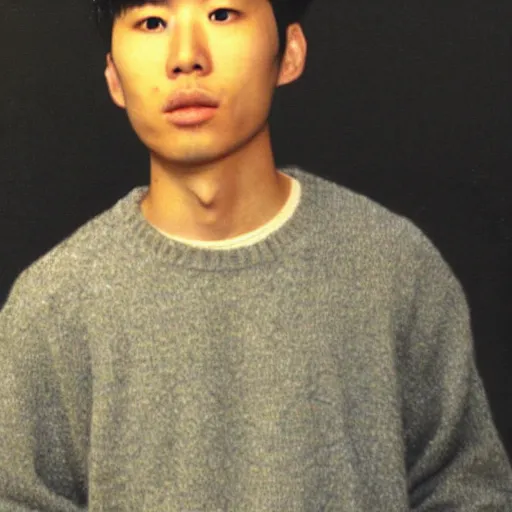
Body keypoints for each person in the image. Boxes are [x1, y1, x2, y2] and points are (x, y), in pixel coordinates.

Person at [0, 0, 511, 509]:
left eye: (221, 14)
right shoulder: (52, 304)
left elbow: (466, 489)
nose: (186, 56)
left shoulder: (393, 265)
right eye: (153, 22)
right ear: (113, 77)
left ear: (289, 51)